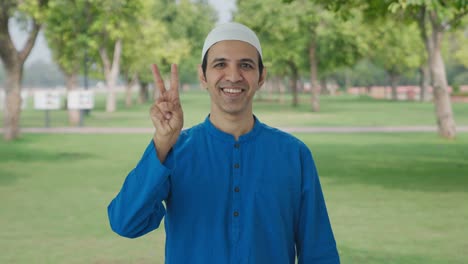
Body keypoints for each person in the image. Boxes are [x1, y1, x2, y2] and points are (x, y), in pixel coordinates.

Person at [108, 22, 340, 264]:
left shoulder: (294, 154)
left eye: (246, 65)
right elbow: (126, 223)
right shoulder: (174, 151)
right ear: (203, 76)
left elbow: (319, 252)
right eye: (220, 64)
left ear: (261, 76)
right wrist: (162, 142)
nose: (233, 76)